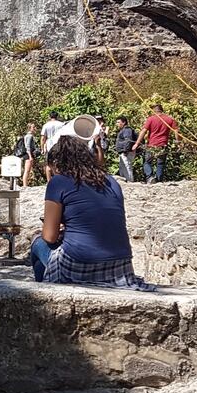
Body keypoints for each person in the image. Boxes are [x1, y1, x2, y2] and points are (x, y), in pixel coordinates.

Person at [30, 136, 153, 290]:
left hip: (78, 264)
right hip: (120, 267)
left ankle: (45, 295)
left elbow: (49, 236)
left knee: (37, 243)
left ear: (56, 164)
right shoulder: (110, 181)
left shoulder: (58, 182)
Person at [133, 104, 179, 184]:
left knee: (147, 162)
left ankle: (150, 177)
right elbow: (176, 131)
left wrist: (137, 143)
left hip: (151, 145)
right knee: (160, 163)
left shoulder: (151, 119)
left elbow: (143, 131)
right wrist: (178, 141)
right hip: (162, 145)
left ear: (154, 111)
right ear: (162, 110)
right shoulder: (169, 119)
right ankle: (158, 179)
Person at [40, 112, 64, 181]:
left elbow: (43, 138)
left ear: (50, 117)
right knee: (59, 163)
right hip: (59, 144)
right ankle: (59, 180)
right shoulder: (61, 124)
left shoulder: (46, 125)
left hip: (49, 145)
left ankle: (49, 181)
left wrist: (42, 148)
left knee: (48, 164)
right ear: (57, 116)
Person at [114, 116, 137, 182]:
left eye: (118, 122)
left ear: (124, 122)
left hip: (126, 152)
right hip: (124, 151)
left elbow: (128, 140)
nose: (117, 124)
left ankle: (129, 181)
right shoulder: (124, 130)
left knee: (127, 166)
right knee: (123, 167)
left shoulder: (127, 130)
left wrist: (125, 150)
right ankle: (124, 181)